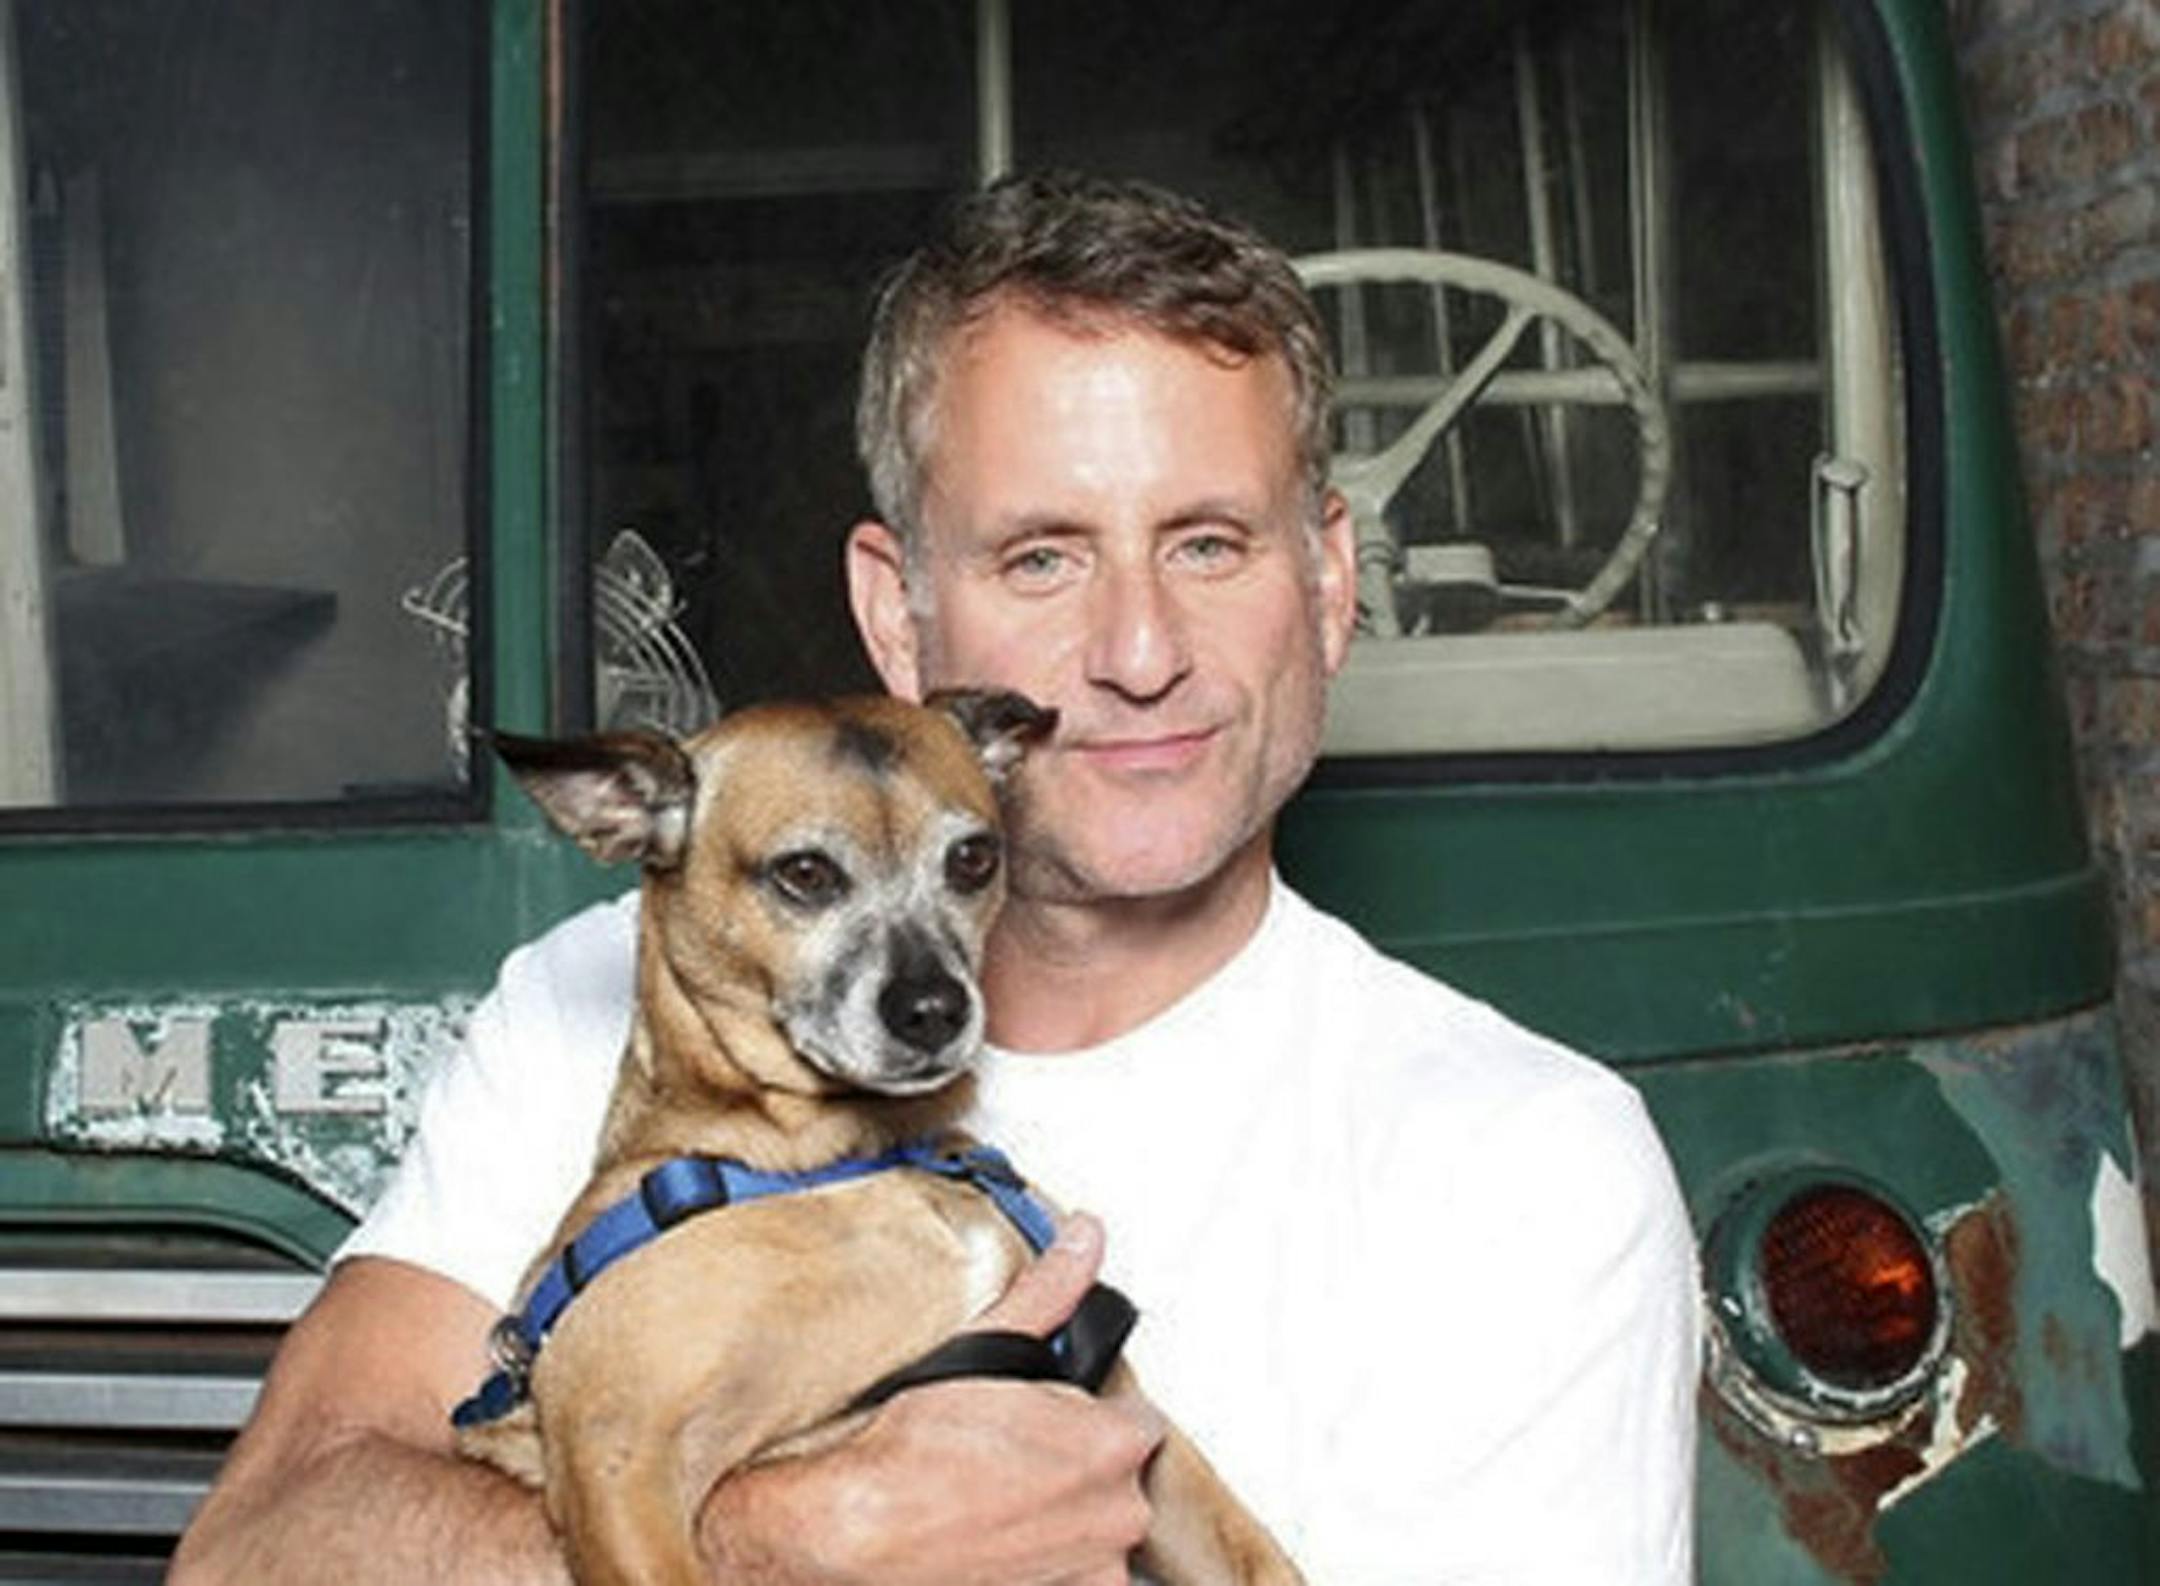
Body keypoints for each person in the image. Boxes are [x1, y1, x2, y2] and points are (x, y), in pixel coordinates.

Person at [175, 171, 1696, 1584]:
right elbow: (255, 1553)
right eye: (1042, 557)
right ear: (897, 619)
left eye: (1211, 545)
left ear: (1332, 583)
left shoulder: (1529, 1168)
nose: (1140, 653)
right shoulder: (595, 1006)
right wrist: (793, 1545)